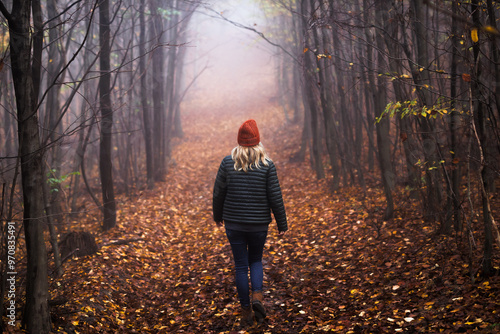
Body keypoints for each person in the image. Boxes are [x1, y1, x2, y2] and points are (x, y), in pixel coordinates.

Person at [213, 119, 288, 327]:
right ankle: (257, 297)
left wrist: (217, 216)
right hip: (258, 225)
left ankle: (246, 311)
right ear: (257, 141)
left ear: (239, 141)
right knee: (255, 260)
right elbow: (275, 196)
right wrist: (282, 223)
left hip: (234, 224)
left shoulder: (228, 162)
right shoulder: (267, 165)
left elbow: (218, 192)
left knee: (240, 266)